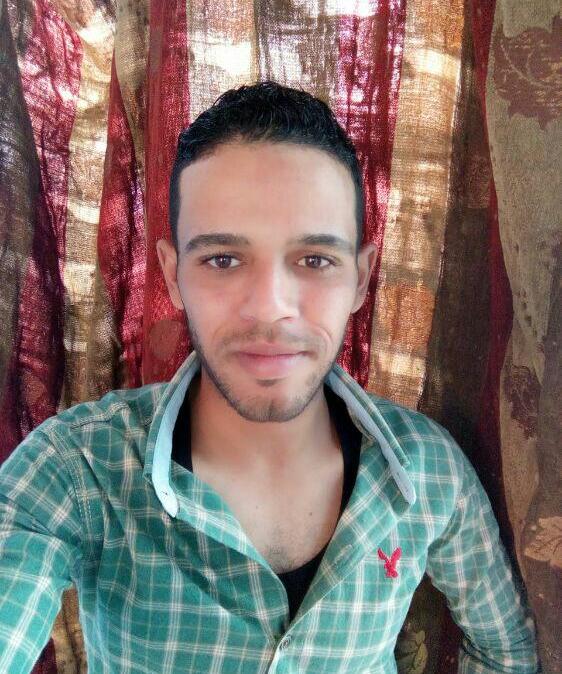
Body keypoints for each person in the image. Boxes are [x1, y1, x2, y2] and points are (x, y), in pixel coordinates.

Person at [0, 81, 539, 673]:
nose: (269, 308)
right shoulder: (76, 469)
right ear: (173, 276)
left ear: (361, 278)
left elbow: (504, 652)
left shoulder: (430, 472)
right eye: (223, 260)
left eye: (315, 260)